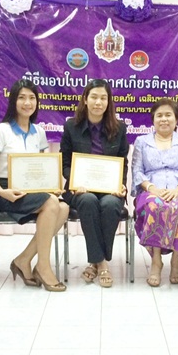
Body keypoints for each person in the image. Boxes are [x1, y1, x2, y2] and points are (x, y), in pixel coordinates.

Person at [0, 79, 69, 292]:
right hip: (2, 190)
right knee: (51, 204)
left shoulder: (38, 132)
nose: (27, 103)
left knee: (64, 206)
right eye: (22, 98)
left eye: (32, 98)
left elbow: (41, 167)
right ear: (13, 101)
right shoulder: (1, 130)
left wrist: (51, 186)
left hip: (30, 188)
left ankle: (23, 259)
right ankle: (43, 266)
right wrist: (1, 191)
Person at [60, 79, 128, 288]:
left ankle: (94, 262)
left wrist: (121, 184)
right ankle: (103, 263)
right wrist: (74, 182)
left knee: (110, 204)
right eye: (94, 97)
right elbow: (65, 162)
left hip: (110, 189)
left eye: (103, 98)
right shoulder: (71, 126)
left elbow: (123, 162)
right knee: (88, 201)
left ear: (109, 102)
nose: (99, 102)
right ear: (85, 99)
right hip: (80, 189)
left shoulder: (119, 128)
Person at [131, 98, 178, 287]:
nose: (164, 119)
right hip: (151, 189)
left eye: (168, 115)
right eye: (159, 115)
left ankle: (176, 259)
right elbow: (137, 170)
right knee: (155, 205)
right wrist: (152, 189)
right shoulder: (142, 141)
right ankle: (156, 260)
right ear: (153, 119)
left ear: (176, 119)